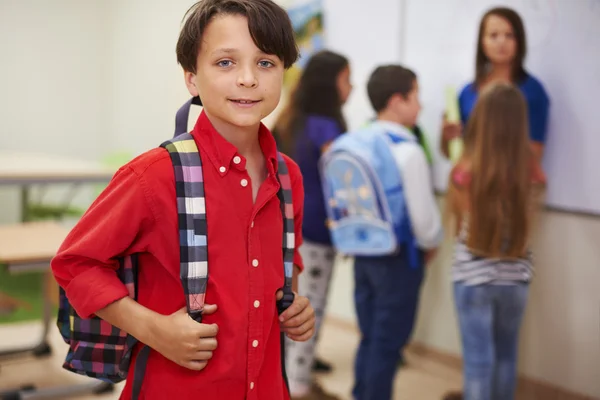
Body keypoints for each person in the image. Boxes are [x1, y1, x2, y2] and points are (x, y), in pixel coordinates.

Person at [51, 1, 316, 399]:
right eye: (225, 63)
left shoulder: (288, 176)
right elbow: (76, 263)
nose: (247, 78)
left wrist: (295, 307)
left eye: (266, 63)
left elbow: (285, 268)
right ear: (192, 78)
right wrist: (152, 328)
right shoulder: (154, 175)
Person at [443, 83, 546, 400]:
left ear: (480, 121)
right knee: (505, 357)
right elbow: (529, 224)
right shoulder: (533, 175)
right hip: (515, 277)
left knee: (477, 364)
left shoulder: (464, 172)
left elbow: (462, 221)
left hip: (473, 277)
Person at [352, 65, 443, 400]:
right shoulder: (409, 150)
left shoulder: (359, 142)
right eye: (415, 96)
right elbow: (423, 218)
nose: (420, 105)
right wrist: (432, 243)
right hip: (399, 259)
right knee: (389, 344)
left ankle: (361, 393)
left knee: (370, 335)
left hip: (363, 252)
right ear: (397, 101)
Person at [274, 49, 352, 400]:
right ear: (331, 82)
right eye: (347, 79)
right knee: (308, 312)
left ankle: (286, 381)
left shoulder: (289, 120)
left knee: (288, 309)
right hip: (317, 234)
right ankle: (300, 387)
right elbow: (342, 182)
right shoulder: (328, 127)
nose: (351, 87)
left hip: (283, 230)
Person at [440, 7, 550, 163]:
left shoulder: (532, 92)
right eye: (493, 35)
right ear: (482, 43)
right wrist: (446, 138)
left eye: (509, 35)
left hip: (511, 185)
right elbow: (452, 153)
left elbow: (534, 155)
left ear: (520, 41)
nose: (501, 42)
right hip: (470, 184)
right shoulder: (467, 92)